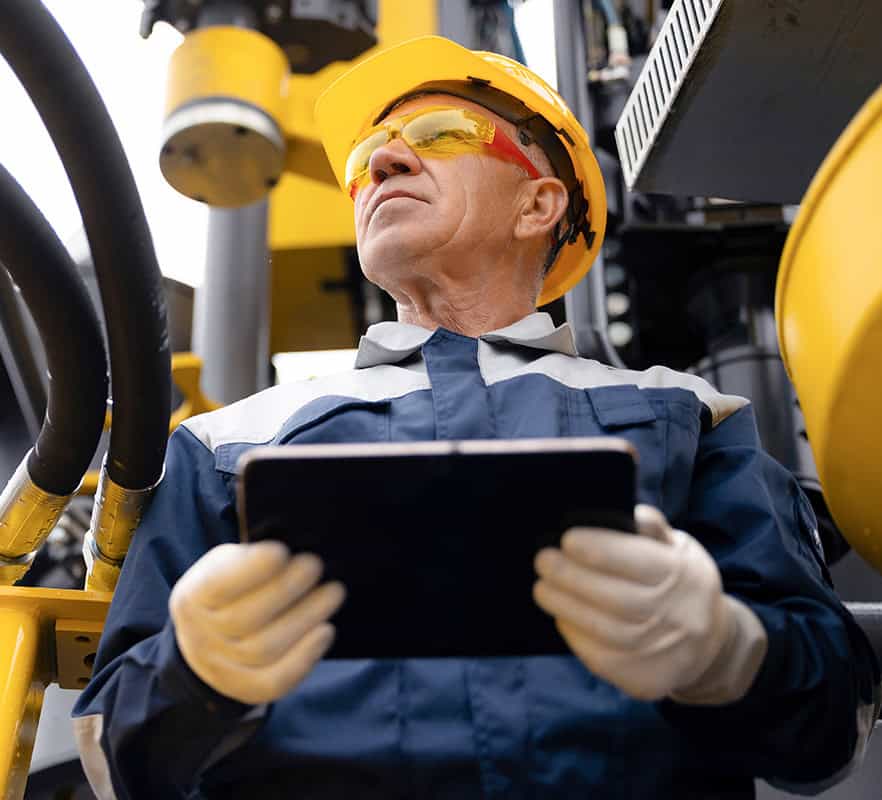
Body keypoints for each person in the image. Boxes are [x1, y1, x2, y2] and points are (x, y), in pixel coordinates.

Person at [72, 35, 879, 799]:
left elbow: (834, 722)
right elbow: (112, 759)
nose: (380, 159)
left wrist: (724, 650)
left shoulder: (693, 413)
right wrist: (193, 676)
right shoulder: (220, 442)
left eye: (438, 130)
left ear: (538, 202)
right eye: (364, 159)